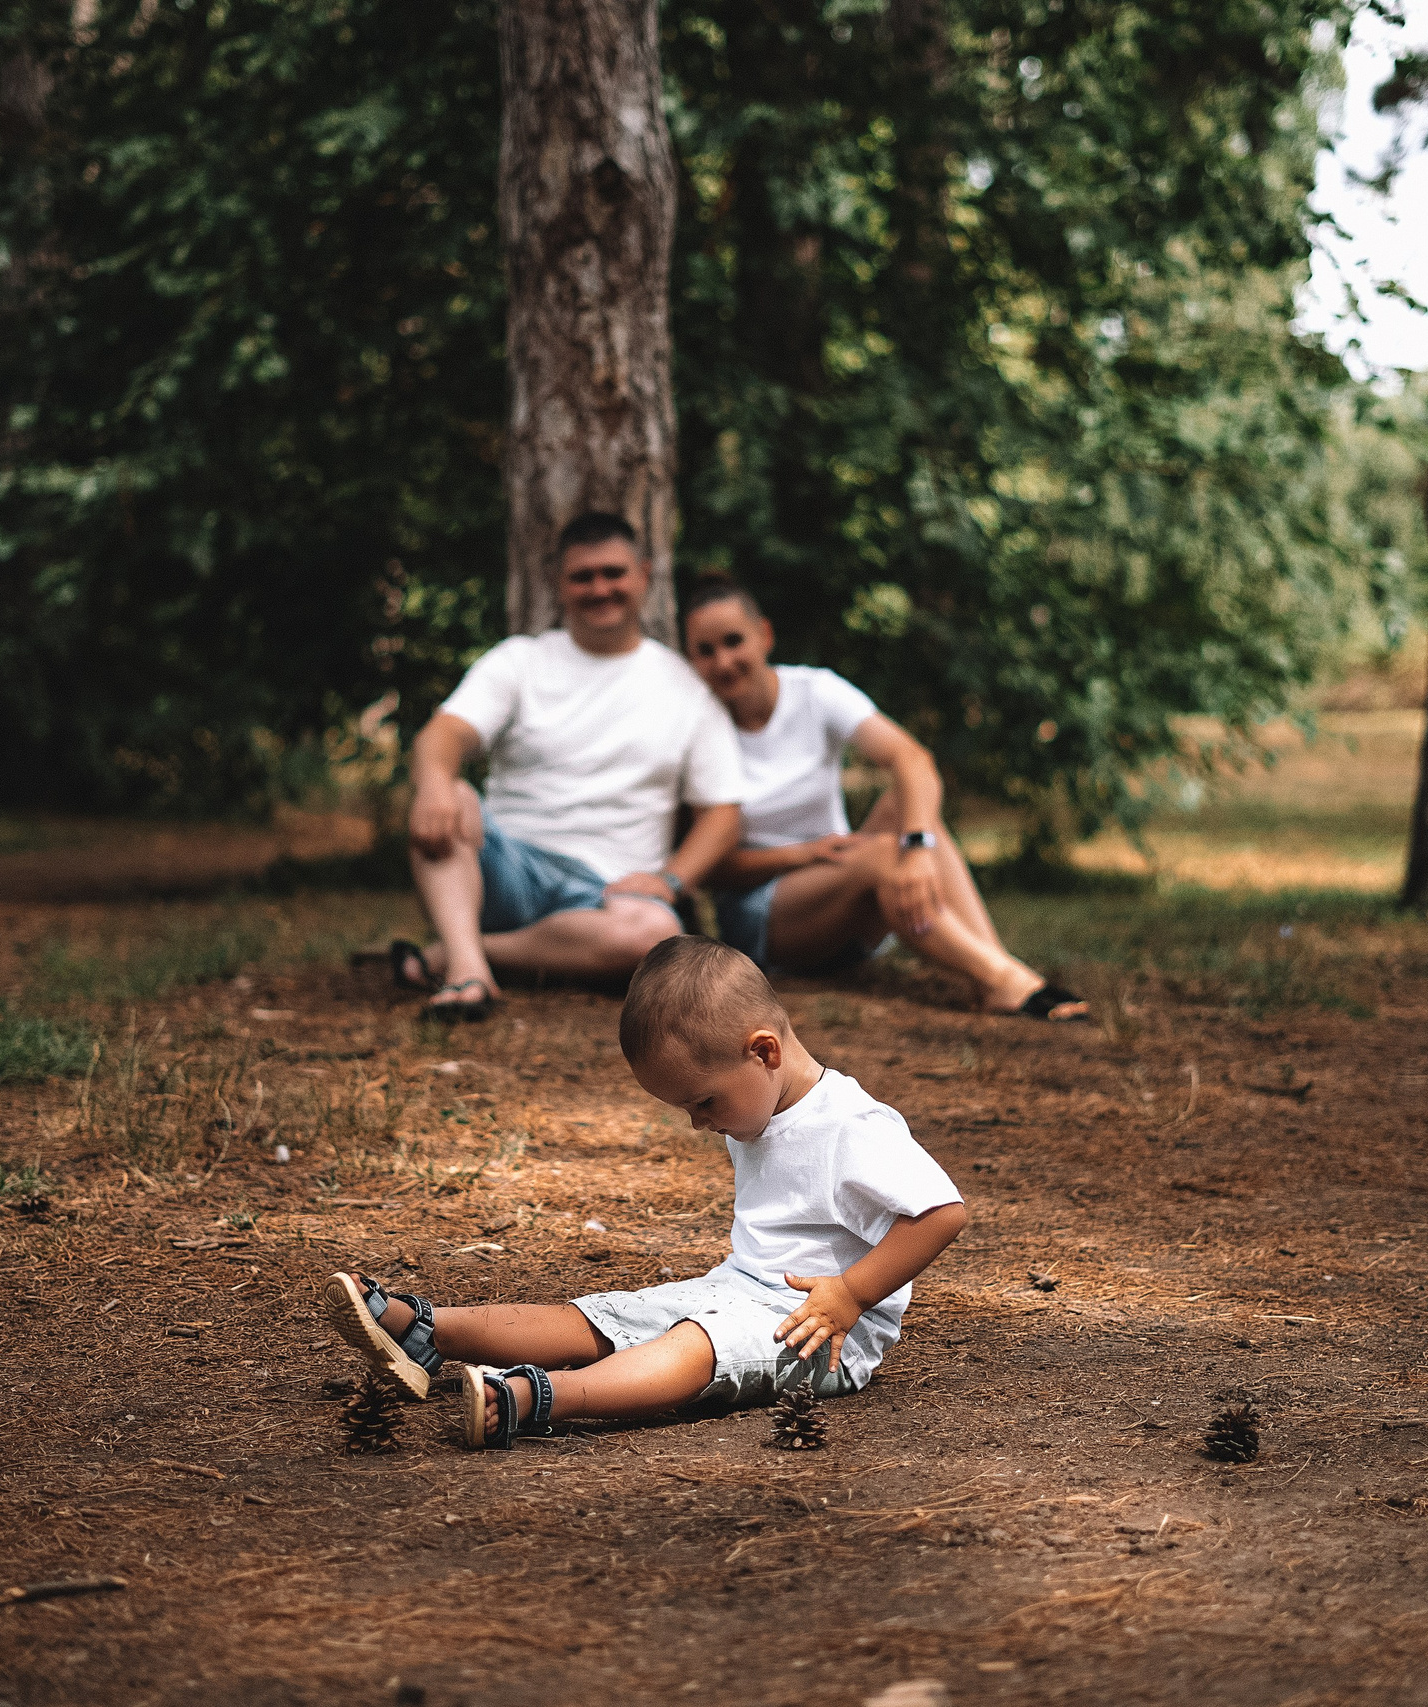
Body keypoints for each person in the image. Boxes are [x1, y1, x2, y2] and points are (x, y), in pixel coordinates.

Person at [319, 935, 969, 1446]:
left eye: (704, 1100)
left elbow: (942, 1213)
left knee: (692, 1349)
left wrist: (852, 1292)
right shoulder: (760, 1098)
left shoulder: (852, 1126)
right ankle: (427, 1330)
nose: (698, 1121)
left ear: (764, 1051)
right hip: (738, 1286)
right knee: (601, 1316)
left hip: (821, 1334)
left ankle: (536, 1398)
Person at [681, 577, 1089, 1020]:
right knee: (877, 854)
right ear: (691, 660)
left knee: (906, 807)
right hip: (763, 920)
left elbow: (910, 757)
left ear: (764, 635)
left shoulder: (813, 692)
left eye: (734, 641)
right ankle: (1002, 979)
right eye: (706, 651)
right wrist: (802, 854)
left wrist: (917, 848)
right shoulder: (696, 727)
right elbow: (713, 870)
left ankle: (996, 969)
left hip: (841, 885)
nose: (723, 661)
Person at [391, 514, 745, 1018]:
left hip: (605, 895)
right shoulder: (520, 661)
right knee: (454, 794)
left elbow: (722, 814)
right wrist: (432, 785)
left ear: (644, 575)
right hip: (505, 869)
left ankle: (463, 951)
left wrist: (670, 880)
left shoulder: (687, 687)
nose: (600, 588)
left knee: (654, 934)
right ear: (559, 584)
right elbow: (443, 735)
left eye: (614, 573)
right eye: (582, 576)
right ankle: (470, 976)